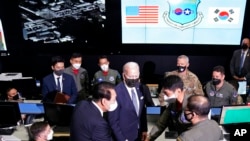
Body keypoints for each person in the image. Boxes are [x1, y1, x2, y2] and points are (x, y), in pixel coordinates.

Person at [108, 61, 148, 141]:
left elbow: (142, 110)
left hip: (138, 134)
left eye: (136, 76)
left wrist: (144, 129)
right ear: (124, 76)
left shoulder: (141, 88)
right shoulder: (116, 93)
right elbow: (113, 122)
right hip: (124, 136)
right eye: (130, 76)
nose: (134, 79)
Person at [147, 75, 192, 141]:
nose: (165, 96)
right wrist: (149, 138)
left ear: (178, 91)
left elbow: (199, 129)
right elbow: (160, 124)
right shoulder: (172, 105)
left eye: (166, 93)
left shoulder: (193, 105)